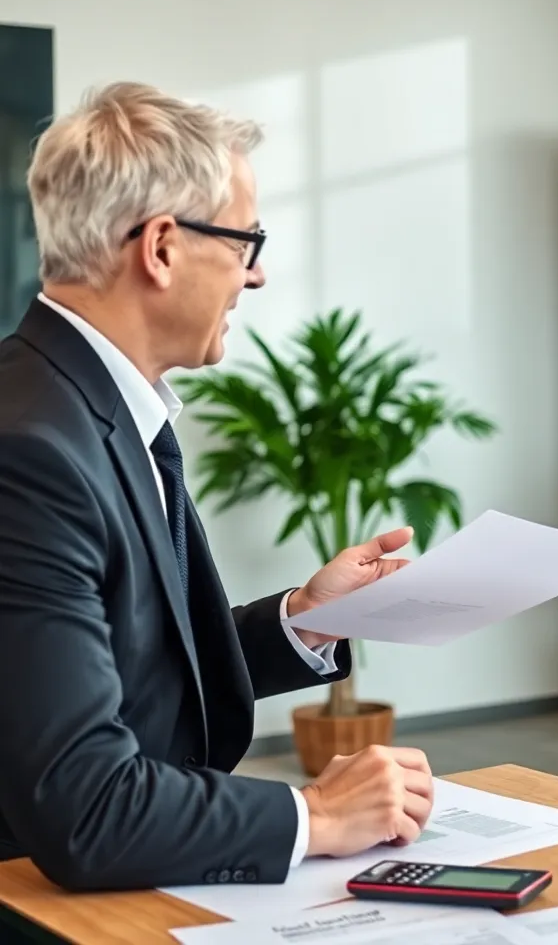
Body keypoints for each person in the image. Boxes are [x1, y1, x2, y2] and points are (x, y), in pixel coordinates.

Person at [0, 82, 434, 892]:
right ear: (162, 247)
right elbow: (85, 808)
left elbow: (129, 666)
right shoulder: (30, 451)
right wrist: (317, 814)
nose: (255, 275)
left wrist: (304, 619)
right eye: (246, 241)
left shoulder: (83, 407)